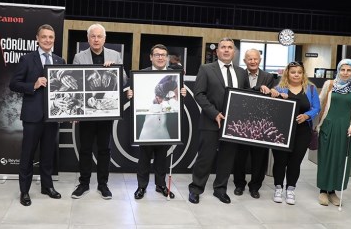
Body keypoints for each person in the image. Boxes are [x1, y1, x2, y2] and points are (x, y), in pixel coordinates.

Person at [9, 24, 65, 206]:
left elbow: (66, 91)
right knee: (28, 155)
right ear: (37, 39)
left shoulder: (60, 61)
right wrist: (33, 84)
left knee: (48, 154)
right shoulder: (27, 59)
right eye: (44, 37)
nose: (47, 40)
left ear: (54, 39)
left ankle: (47, 186)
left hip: (52, 116)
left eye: (50, 37)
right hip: (32, 116)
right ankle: (24, 191)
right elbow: (14, 84)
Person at [71, 23, 128, 200]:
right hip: (86, 112)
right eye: (93, 36)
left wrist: (114, 71)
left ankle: (103, 184)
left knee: (104, 149)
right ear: (88, 39)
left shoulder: (115, 55)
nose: (96, 39)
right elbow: (74, 84)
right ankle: (84, 183)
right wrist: (76, 111)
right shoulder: (79, 57)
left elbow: (124, 80)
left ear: (105, 38)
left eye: (99, 36)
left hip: (106, 111)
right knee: (86, 149)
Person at [188, 37, 246, 204]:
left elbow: (245, 96)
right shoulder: (206, 69)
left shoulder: (241, 72)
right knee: (205, 157)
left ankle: (220, 189)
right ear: (217, 51)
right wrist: (214, 113)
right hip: (210, 121)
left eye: (230, 47)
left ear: (234, 52)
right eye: (223, 47)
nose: (226, 50)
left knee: (227, 158)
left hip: (233, 124)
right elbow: (199, 94)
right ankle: (196, 189)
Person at [128, 44, 186, 200]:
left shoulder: (175, 75)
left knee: (162, 157)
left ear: (167, 57)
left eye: (163, 55)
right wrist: (130, 93)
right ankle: (141, 186)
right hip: (148, 124)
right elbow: (135, 96)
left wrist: (182, 93)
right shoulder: (141, 75)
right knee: (144, 157)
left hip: (164, 124)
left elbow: (178, 101)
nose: (160, 57)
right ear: (151, 57)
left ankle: (161, 185)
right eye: (157, 54)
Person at [316, 59, 351, 206]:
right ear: (338, 70)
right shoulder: (330, 84)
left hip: (347, 129)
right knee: (326, 158)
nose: (345, 73)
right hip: (328, 126)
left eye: (348, 70)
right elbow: (320, 103)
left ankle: (333, 192)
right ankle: (323, 191)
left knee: (340, 160)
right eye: (342, 70)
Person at [270, 61, 320, 205]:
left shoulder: (310, 89)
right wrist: (276, 97)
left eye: (299, 72)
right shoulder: (280, 88)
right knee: (280, 161)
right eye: (293, 72)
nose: (296, 74)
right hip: (281, 131)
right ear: (287, 73)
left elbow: (317, 107)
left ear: (303, 73)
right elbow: (273, 108)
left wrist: (307, 115)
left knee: (295, 161)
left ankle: (290, 189)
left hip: (303, 131)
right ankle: (278, 188)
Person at [233, 48, 275, 198]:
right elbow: (241, 93)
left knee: (259, 157)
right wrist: (257, 88)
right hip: (242, 122)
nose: (253, 61)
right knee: (240, 156)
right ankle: (239, 184)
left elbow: (269, 97)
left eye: (255, 59)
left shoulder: (268, 76)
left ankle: (255, 186)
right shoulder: (238, 74)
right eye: (249, 59)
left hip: (261, 124)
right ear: (245, 61)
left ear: (260, 60)